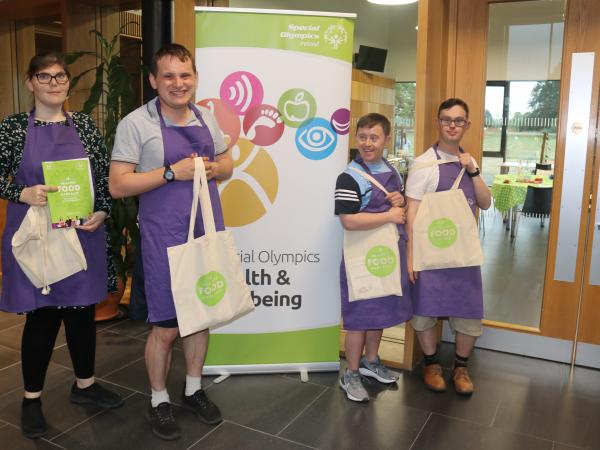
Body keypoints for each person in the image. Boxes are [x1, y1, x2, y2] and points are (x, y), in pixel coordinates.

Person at [109, 43, 232, 441]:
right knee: (165, 326)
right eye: (169, 76)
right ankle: (159, 399)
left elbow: (228, 163)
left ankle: (194, 389)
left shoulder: (205, 115)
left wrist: (214, 167)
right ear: (153, 80)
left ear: (194, 78)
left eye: (185, 75)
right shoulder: (136, 124)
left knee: (202, 313)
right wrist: (169, 173)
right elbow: (118, 184)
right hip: (162, 236)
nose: (178, 84)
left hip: (205, 230)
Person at [0, 51, 123, 439]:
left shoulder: (84, 124)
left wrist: (101, 211)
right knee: (43, 317)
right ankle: (32, 399)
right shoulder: (14, 127)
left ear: (68, 83)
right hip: (37, 237)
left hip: (82, 235)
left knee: (82, 315)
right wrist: (20, 193)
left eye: (60, 77)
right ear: (30, 83)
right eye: (45, 76)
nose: (54, 83)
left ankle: (84, 386)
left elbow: (103, 178)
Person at [405, 98, 491, 395]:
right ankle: (431, 364)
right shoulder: (424, 164)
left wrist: (474, 171)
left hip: (463, 251)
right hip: (430, 250)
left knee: (468, 311)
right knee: (424, 311)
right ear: (438, 123)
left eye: (458, 120)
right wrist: (411, 255)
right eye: (446, 119)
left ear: (466, 125)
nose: (452, 125)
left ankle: (461, 368)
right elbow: (412, 211)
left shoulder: (470, 161)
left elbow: (486, 202)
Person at [334, 113, 413, 402]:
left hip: (384, 255)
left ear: (386, 140)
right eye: (363, 137)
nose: (368, 143)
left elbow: (399, 203)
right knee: (359, 318)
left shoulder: (390, 170)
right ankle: (351, 373)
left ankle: (371, 362)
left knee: (379, 311)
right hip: (360, 258)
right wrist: (389, 215)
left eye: (374, 137)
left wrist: (400, 201)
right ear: (356, 138)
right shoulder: (349, 176)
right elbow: (348, 221)